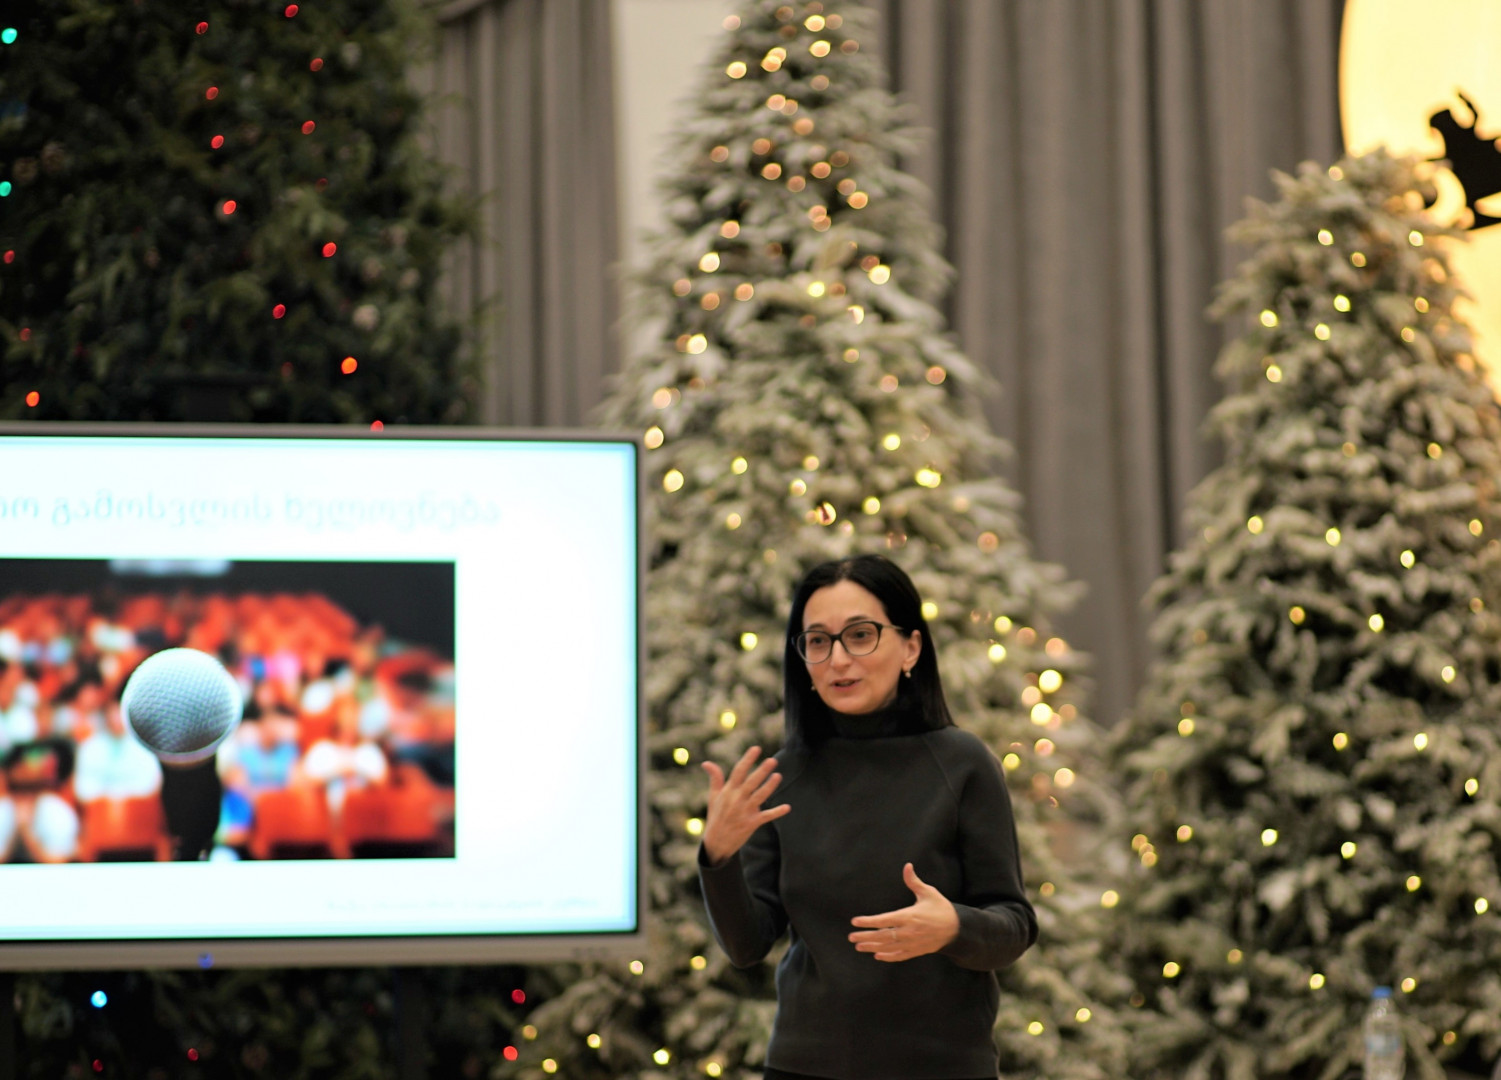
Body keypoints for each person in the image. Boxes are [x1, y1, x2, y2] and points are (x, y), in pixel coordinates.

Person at [698, 554, 1037, 1080]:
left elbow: (1014, 925)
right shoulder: (780, 775)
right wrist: (717, 856)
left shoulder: (963, 764)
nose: (837, 659)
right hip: (804, 1065)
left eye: (860, 635)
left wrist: (953, 926)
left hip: (942, 1068)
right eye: (817, 641)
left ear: (911, 647)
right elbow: (748, 946)